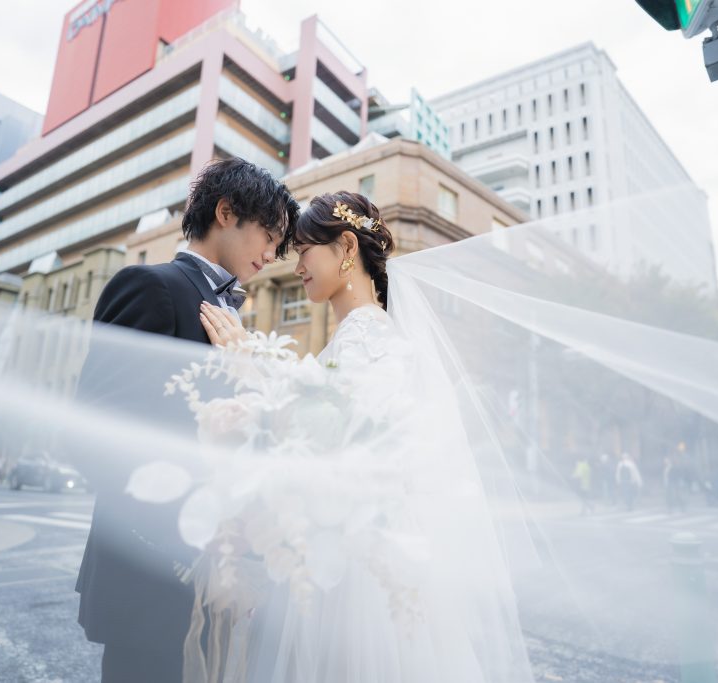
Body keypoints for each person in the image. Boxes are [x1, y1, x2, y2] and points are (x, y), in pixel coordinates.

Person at [198, 191, 534, 682]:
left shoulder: (372, 340)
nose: (297, 268)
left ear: (347, 247)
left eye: (305, 251)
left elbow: (337, 447)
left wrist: (254, 371)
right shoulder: (357, 338)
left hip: (355, 580)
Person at [73, 158, 299, 683]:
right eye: (268, 236)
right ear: (226, 212)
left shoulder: (234, 315)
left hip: (215, 571)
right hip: (151, 569)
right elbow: (95, 430)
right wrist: (183, 532)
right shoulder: (151, 286)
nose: (271, 255)